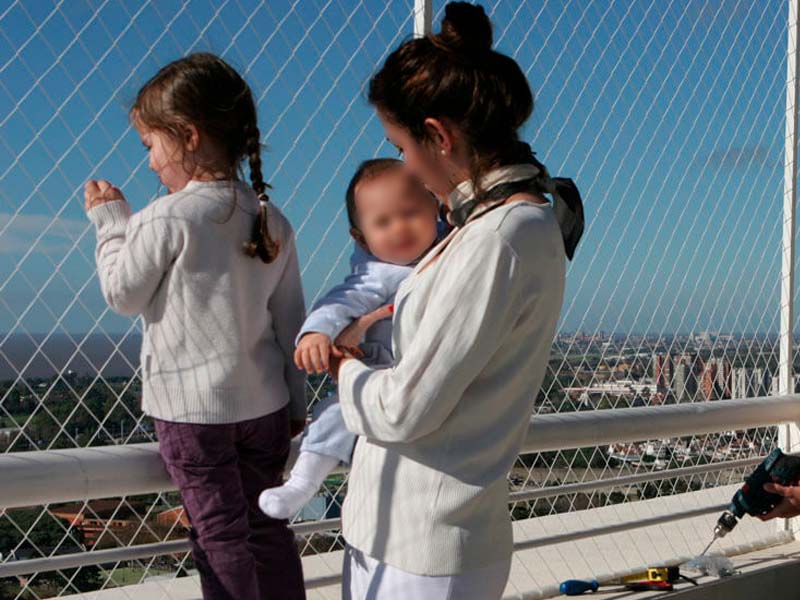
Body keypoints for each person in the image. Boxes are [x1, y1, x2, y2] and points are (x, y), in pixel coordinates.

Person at [328, 3, 584, 598]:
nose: (406, 167)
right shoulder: (502, 226)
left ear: (438, 136)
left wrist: (346, 367)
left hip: (426, 547)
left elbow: (402, 410)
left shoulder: (497, 239)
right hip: (410, 537)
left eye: (402, 147)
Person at [83, 53, 306, 600]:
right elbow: (291, 322)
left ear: (186, 134)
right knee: (266, 527)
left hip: (194, 413)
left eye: (151, 146)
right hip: (268, 408)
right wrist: (296, 403)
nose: (151, 163)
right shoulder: (269, 217)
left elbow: (122, 293)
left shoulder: (166, 216)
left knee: (219, 536)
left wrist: (112, 223)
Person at [258, 158, 444, 520]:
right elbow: (342, 300)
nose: (400, 228)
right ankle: (302, 484)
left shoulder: (450, 248)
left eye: (410, 213)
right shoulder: (379, 273)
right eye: (383, 223)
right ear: (362, 238)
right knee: (334, 413)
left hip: (424, 372)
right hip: (378, 370)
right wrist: (316, 332)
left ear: (434, 209)